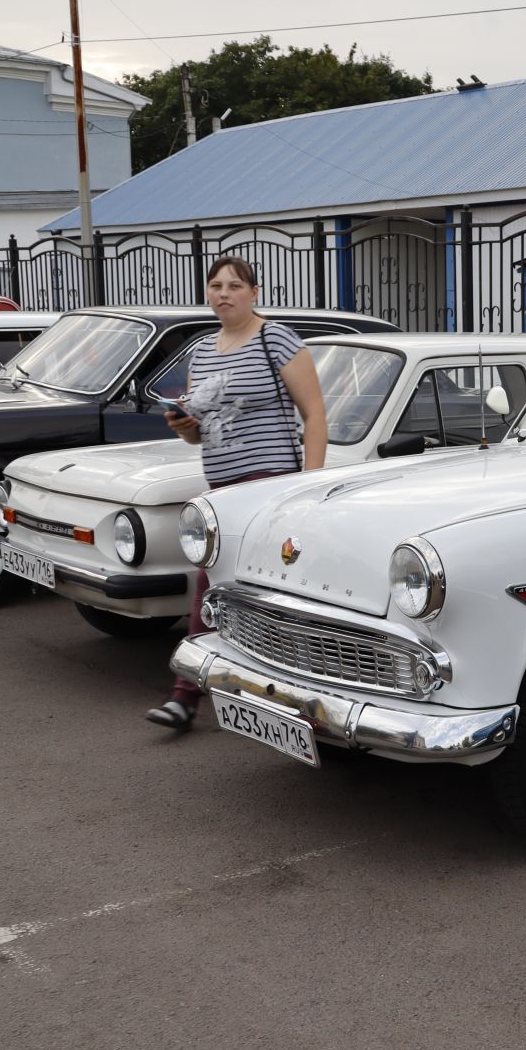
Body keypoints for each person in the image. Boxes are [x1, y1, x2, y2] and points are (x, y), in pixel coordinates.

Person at [146, 255, 328, 732]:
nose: (224, 293)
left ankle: (186, 697)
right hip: (221, 491)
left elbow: (314, 415)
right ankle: (248, 694)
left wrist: (309, 485)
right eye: (215, 286)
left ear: (254, 292)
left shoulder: (276, 338)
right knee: (226, 587)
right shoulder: (202, 351)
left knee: (226, 585)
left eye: (234, 285)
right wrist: (184, 425)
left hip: (268, 484)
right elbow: (197, 433)